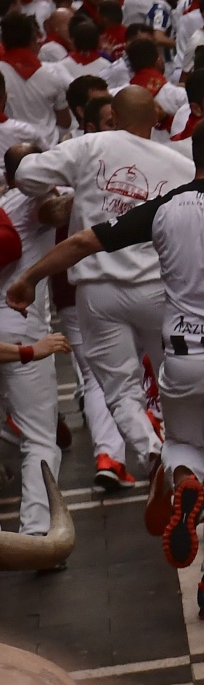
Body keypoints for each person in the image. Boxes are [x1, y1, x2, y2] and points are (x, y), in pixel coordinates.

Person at [7, 118, 204, 616]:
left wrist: (29, 279)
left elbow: (81, 244)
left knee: (181, 441)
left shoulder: (163, 207)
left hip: (181, 362)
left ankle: (182, 476)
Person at [10, 87, 193, 495]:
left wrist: (71, 192)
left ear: (114, 113)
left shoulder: (90, 146)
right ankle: (188, 458)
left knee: (118, 388)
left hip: (97, 291)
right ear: (155, 117)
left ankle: (152, 455)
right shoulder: (180, 162)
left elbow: (24, 175)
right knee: (177, 375)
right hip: (158, 287)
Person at [0, 176, 69, 552]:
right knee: (41, 438)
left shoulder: (7, 208)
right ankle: (38, 533)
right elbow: (57, 209)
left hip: (13, 332)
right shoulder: (29, 205)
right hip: (20, 329)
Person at [0, 12, 72, 146]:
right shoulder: (52, 73)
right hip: (48, 150)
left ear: (3, 41)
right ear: (32, 40)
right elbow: (65, 121)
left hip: (8, 149)